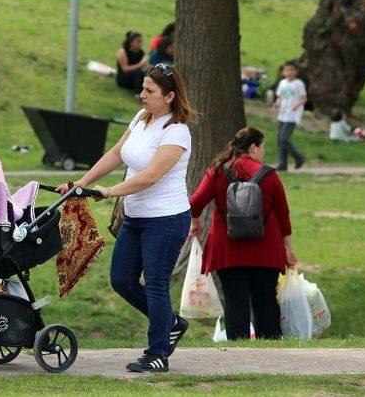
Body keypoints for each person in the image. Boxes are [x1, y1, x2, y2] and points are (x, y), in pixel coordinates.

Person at [57, 63, 197, 373]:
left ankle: (157, 353)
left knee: (157, 284)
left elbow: (150, 176)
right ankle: (170, 323)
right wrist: (82, 183)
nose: (142, 95)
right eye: (143, 88)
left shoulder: (177, 132)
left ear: (170, 96)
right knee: (121, 280)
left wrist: (109, 191)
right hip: (135, 217)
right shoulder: (142, 118)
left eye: (150, 91)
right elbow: (116, 154)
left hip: (166, 219)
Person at [189, 127, 298, 340]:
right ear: (253, 148)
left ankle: (238, 354)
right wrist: (288, 248)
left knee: (235, 300)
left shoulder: (218, 171)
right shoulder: (269, 175)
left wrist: (196, 222)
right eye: (263, 147)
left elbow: (195, 202)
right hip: (266, 249)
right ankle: (270, 350)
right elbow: (283, 214)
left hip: (227, 249)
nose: (263, 152)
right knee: (265, 299)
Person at [275, 61, 307, 171]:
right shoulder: (282, 83)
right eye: (287, 70)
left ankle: (299, 158)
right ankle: (282, 164)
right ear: (283, 72)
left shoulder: (299, 84)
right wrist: (278, 103)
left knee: (284, 139)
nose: (289, 72)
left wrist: (295, 107)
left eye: (292, 70)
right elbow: (279, 96)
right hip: (282, 115)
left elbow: (303, 98)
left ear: (296, 72)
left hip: (292, 116)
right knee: (280, 140)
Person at [116, 31, 149, 99]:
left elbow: (144, 65)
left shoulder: (140, 52)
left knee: (147, 73)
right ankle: (137, 95)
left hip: (135, 78)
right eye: (137, 41)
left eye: (140, 41)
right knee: (139, 73)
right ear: (131, 42)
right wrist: (140, 65)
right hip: (123, 79)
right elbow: (125, 69)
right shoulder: (123, 52)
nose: (140, 43)